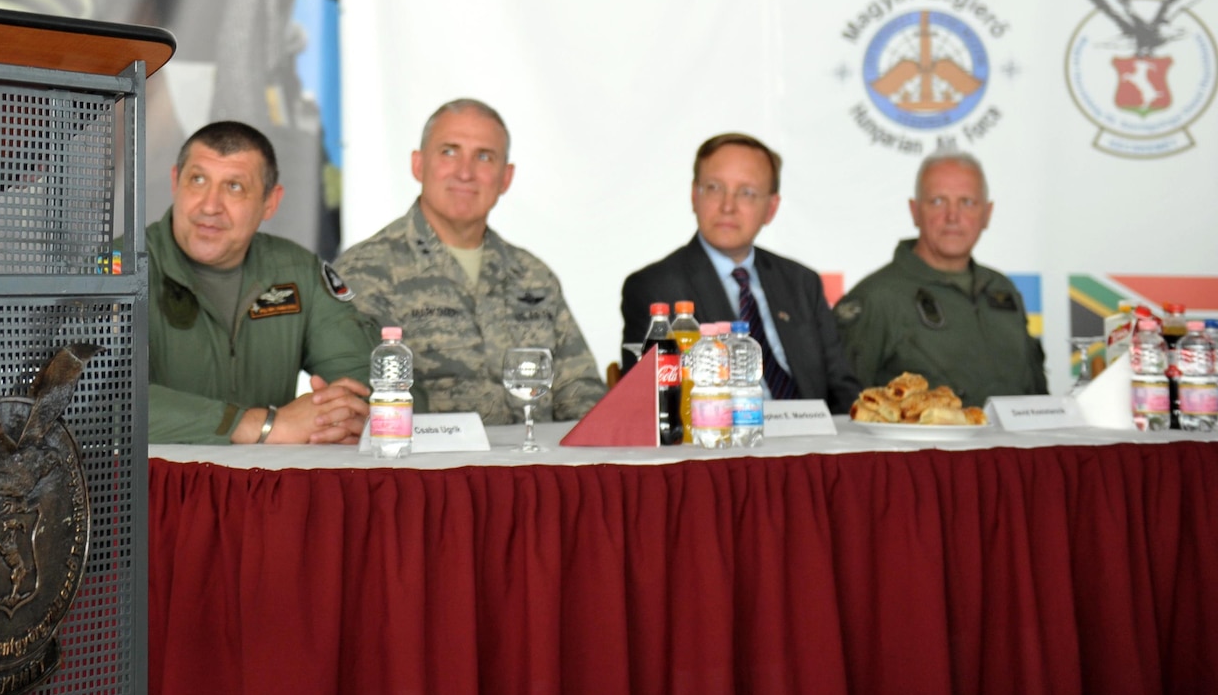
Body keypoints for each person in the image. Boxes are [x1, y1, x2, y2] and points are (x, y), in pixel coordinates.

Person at [332, 99, 604, 424]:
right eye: (449, 152)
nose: (465, 172)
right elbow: (358, 403)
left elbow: (580, 390)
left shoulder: (533, 276)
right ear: (418, 165)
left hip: (534, 468)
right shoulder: (364, 271)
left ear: (506, 178)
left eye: (484, 157)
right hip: (427, 470)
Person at [147, 120, 376, 444]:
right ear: (175, 181)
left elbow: (362, 381)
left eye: (234, 187)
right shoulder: (116, 272)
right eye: (198, 180)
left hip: (264, 487)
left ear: (270, 201)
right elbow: (91, 400)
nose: (210, 206)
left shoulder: (297, 271)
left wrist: (339, 417)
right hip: (146, 488)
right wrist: (262, 425)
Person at [621, 133, 863, 411]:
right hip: (719, 445)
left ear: (771, 208)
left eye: (746, 193)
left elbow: (843, 391)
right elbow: (651, 405)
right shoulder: (654, 288)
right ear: (693, 196)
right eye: (714, 188)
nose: (727, 206)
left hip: (811, 443)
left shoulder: (800, 282)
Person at [834, 152, 1047, 406]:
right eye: (937, 201)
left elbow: (1038, 401)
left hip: (1019, 446)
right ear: (914, 211)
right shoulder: (877, 298)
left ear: (987, 214)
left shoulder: (1002, 290)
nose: (953, 216)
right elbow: (845, 411)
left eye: (967, 202)